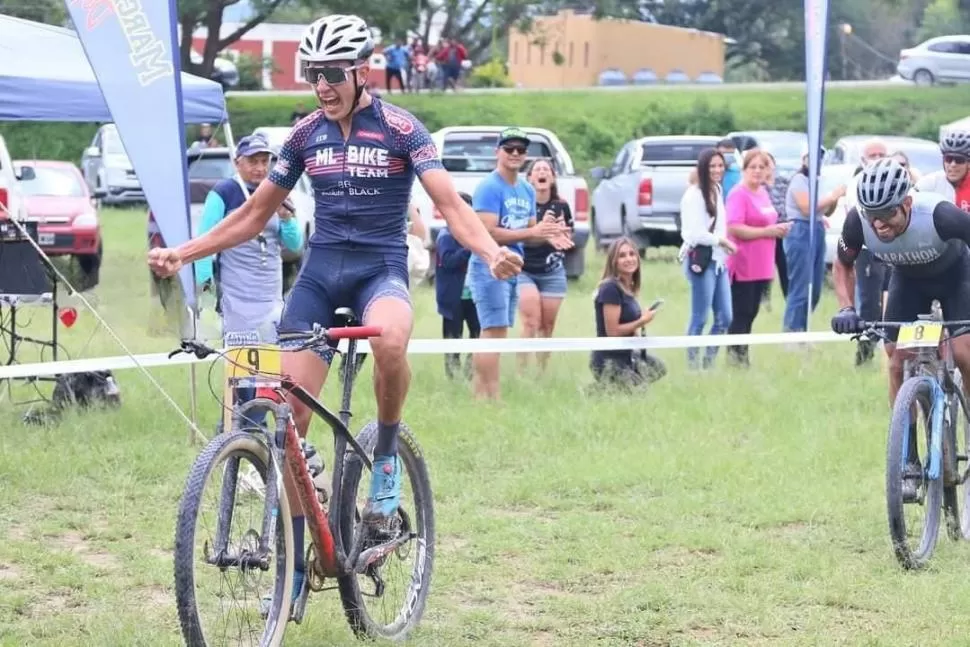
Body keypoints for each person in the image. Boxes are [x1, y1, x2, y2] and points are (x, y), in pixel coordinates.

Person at [147, 13, 522, 604]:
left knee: (391, 340)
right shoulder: (304, 135)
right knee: (287, 420)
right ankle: (299, 559)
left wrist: (490, 249)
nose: (321, 85)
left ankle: (388, 454)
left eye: (330, 74)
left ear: (362, 71)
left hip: (380, 270)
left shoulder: (401, 128)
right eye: (311, 74)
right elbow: (252, 216)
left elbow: (449, 204)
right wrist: (182, 251)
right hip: (322, 275)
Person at [830, 157, 970, 502]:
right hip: (909, 282)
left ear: (906, 203)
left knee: (965, 353)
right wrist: (846, 308)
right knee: (896, 364)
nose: (878, 224)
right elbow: (842, 264)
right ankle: (907, 458)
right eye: (872, 215)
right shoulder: (857, 223)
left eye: (888, 214)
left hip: (957, 278)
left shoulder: (940, 215)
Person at [195, 133, 304, 423]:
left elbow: (294, 246)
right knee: (241, 380)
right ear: (237, 162)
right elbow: (205, 244)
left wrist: (287, 218)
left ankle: (258, 437)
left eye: (264, 161)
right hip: (237, 301)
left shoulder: (276, 190)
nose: (259, 167)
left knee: (267, 380)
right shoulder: (224, 193)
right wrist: (206, 295)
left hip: (270, 300)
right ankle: (231, 439)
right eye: (252, 161)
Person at [468, 127, 571, 400]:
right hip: (489, 266)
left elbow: (530, 233)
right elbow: (487, 232)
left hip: (513, 267)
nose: (515, 154)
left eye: (521, 150)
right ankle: (488, 396)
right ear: (497, 152)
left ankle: (484, 394)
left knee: (499, 331)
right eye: (509, 148)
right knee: (493, 331)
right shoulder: (490, 187)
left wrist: (549, 233)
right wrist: (533, 233)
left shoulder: (525, 189)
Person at [725, 149, 788, 367]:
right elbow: (734, 227)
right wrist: (767, 232)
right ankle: (736, 359)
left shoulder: (762, 192)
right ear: (744, 169)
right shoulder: (738, 194)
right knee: (741, 312)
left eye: (762, 167)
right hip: (743, 263)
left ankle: (743, 356)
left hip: (762, 264)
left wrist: (780, 229)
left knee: (752, 312)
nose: (758, 171)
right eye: (753, 167)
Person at [679, 148, 736, 370]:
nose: (717, 170)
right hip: (702, 261)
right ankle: (693, 367)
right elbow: (694, 233)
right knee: (699, 317)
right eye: (712, 166)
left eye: (720, 165)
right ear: (703, 168)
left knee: (725, 317)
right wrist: (722, 242)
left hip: (718, 262)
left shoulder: (717, 189)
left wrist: (722, 247)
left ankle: (708, 363)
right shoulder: (694, 195)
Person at [517, 159, 573, 373]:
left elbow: (568, 236)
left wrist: (559, 233)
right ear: (529, 178)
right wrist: (543, 235)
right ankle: (521, 371)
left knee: (547, 326)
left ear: (553, 178)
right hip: (524, 269)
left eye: (546, 169)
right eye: (537, 169)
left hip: (553, 272)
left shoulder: (561, 206)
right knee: (531, 322)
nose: (542, 172)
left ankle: (541, 373)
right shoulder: (523, 205)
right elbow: (519, 236)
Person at [783, 145, 846, 336]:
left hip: (817, 228)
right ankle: (792, 332)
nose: (816, 161)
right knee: (801, 287)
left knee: (815, 288)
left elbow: (826, 210)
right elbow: (806, 208)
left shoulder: (817, 181)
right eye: (811, 157)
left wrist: (833, 200)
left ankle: (801, 329)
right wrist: (832, 196)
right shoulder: (799, 180)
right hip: (800, 230)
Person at [590, 237, 666, 388]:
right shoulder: (610, 288)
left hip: (626, 354)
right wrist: (642, 321)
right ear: (614, 262)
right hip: (608, 358)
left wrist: (637, 333)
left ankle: (611, 389)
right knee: (635, 390)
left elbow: (627, 325)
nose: (629, 259)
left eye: (632, 254)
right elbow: (612, 332)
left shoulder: (627, 287)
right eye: (622, 255)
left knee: (657, 368)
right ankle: (595, 392)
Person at [435, 192, 480, 380]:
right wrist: (470, 249)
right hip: (452, 298)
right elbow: (448, 261)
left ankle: (471, 372)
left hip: (474, 296)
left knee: (478, 334)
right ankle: (453, 378)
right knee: (453, 339)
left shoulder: (478, 235)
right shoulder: (446, 236)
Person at [916, 128, 970, 212]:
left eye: (959, 160)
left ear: (968, 163)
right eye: (948, 159)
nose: (953, 164)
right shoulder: (930, 182)